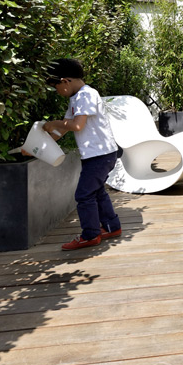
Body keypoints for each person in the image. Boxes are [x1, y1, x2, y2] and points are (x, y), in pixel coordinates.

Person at [43, 58, 124, 250]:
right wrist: (38, 147)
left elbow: (77, 125)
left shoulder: (86, 95)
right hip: (99, 154)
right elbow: (64, 128)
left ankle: (90, 235)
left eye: (56, 87)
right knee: (96, 191)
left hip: (100, 155)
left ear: (65, 81)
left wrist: (53, 123)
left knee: (83, 195)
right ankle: (112, 227)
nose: (57, 92)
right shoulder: (76, 98)